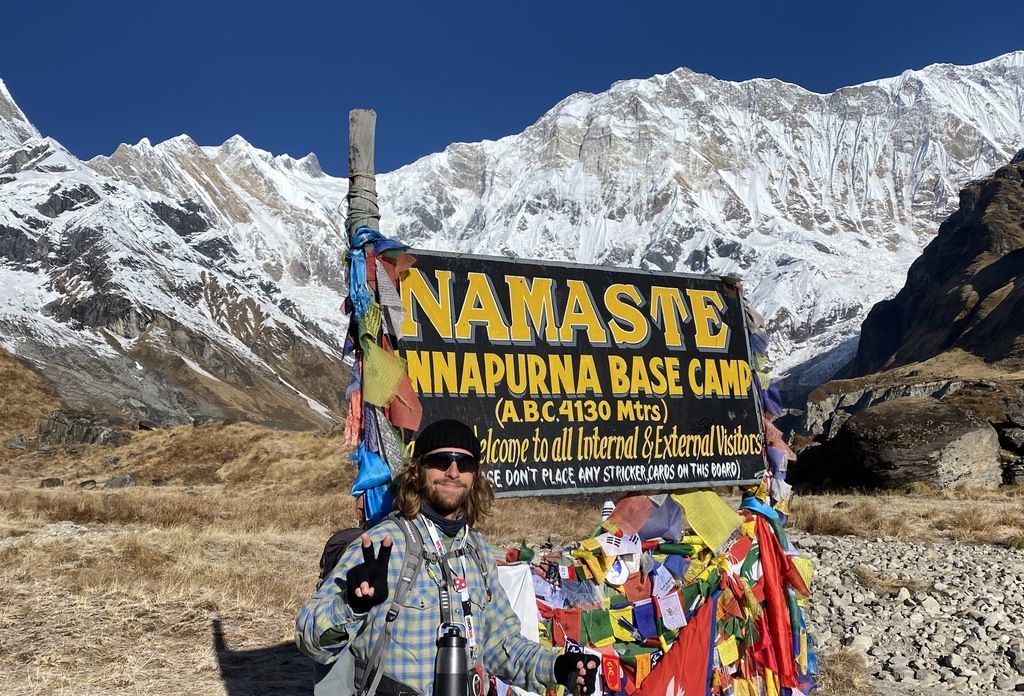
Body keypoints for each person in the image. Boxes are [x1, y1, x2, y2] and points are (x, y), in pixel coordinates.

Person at [296, 418, 598, 696]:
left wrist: (558, 667)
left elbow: (502, 645)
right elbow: (309, 638)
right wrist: (353, 605)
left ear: (474, 476)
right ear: (418, 470)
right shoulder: (385, 543)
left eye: (464, 463)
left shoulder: (476, 550)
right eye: (441, 461)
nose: (452, 472)